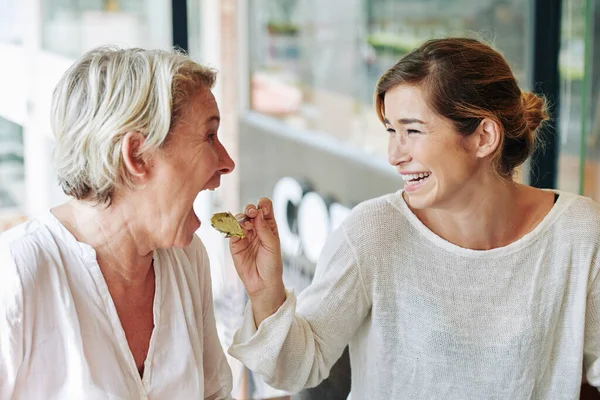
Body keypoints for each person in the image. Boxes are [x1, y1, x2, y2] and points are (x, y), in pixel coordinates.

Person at [226, 38, 600, 399]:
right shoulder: (373, 232)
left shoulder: (578, 232)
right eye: (391, 131)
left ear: (484, 136)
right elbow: (296, 369)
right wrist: (265, 291)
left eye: (412, 131)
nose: (394, 154)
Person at [0, 47, 235, 399]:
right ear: (137, 156)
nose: (227, 163)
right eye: (209, 136)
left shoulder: (188, 261)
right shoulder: (16, 274)